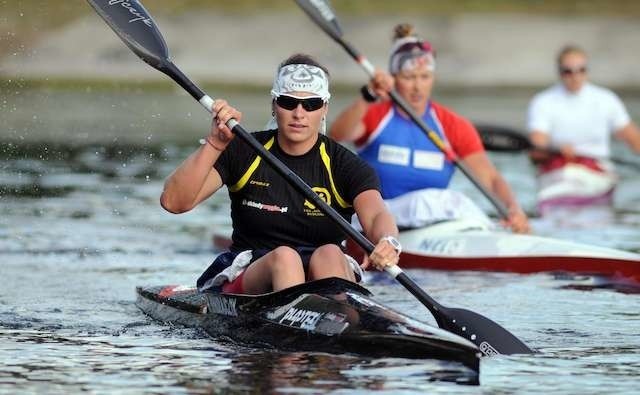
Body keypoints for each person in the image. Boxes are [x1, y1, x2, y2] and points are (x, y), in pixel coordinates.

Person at [160, 53, 401, 295]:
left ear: (324, 108)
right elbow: (174, 202)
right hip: (254, 271)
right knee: (286, 258)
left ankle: (338, 318)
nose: (299, 113)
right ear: (274, 105)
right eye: (288, 102)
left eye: (311, 104)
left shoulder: (344, 165)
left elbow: (377, 213)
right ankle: (302, 321)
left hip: (326, 270)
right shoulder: (245, 150)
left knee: (329, 252)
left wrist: (388, 241)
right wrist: (215, 143)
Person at [329, 23, 530, 234]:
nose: (417, 86)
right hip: (375, 217)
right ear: (394, 77)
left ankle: (498, 233)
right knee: (436, 201)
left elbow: (490, 178)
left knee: (439, 203)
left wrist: (513, 209)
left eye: (424, 77)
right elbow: (338, 134)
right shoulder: (376, 114)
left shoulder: (452, 125)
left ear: (433, 78)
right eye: (409, 78)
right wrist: (368, 96)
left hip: (429, 226)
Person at [527, 45, 640, 210]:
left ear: (587, 71)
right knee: (561, 170)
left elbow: (633, 138)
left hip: (596, 168)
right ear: (559, 72)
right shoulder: (542, 101)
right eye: (568, 71)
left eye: (581, 70)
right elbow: (537, 146)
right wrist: (556, 148)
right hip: (558, 165)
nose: (575, 76)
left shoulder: (606, 99)